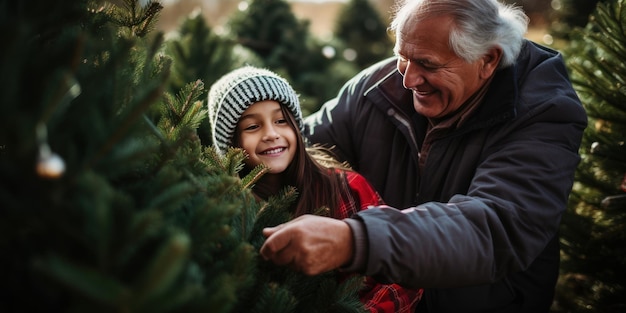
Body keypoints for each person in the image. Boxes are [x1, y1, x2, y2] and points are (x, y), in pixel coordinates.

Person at [259, 0, 588, 312]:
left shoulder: (544, 112)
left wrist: (357, 241)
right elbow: (300, 147)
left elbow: (494, 227)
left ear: (488, 60)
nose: (408, 79)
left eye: (428, 64)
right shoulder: (378, 88)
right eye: (403, 56)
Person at [207, 66, 423, 312]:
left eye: (280, 121)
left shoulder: (345, 188)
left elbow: (397, 274)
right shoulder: (226, 209)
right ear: (231, 143)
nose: (271, 134)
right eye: (252, 127)